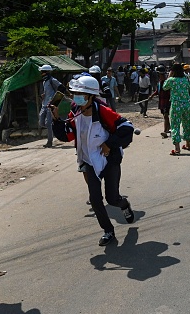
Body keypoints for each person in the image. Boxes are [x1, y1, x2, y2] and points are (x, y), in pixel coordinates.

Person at [52, 75, 135, 247]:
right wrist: (55, 119)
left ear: (90, 96)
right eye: (75, 93)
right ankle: (108, 231)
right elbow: (67, 135)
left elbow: (127, 129)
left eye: (80, 93)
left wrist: (108, 144)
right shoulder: (76, 110)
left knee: (112, 199)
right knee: (95, 199)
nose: (76, 96)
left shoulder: (104, 112)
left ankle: (125, 205)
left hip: (109, 160)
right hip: (89, 161)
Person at [163, 63, 190, 155]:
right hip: (187, 104)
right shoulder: (186, 79)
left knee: (175, 125)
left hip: (176, 105)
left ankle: (177, 148)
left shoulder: (172, 80)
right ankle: (187, 144)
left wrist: (169, 76)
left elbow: (164, 87)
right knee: (187, 124)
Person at [38, 64, 64, 148]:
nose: (41, 73)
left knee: (48, 123)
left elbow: (61, 88)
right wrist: (43, 95)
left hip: (50, 105)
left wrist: (55, 100)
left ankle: (50, 141)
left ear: (46, 72)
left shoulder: (53, 80)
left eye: (42, 72)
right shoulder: (44, 81)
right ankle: (54, 129)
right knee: (41, 122)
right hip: (44, 104)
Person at [148, 65, 171, 138]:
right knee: (165, 115)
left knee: (165, 115)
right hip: (161, 101)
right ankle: (169, 128)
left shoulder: (166, 82)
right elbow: (157, 91)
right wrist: (152, 95)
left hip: (166, 101)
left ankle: (165, 131)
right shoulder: (159, 82)